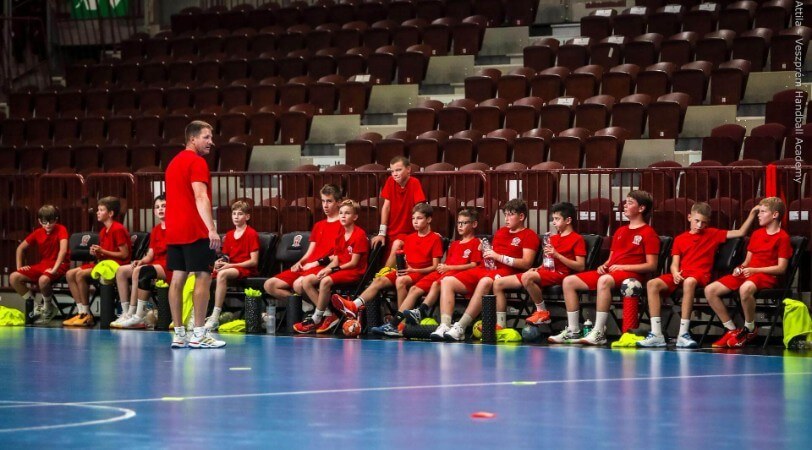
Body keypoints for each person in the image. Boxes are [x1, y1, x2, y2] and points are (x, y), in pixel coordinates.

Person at [638, 202, 759, 348]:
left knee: (689, 282)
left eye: (704, 222)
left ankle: (683, 334)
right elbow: (674, 264)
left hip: (700, 275)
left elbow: (740, 232)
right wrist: (675, 273)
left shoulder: (713, 234)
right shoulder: (680, 239)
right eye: (697, 221)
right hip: (682, 273)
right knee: (652, 284)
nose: (700, 225)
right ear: (689, 217)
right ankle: (656, 334)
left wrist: (752, 213)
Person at [551, 190, 660, 346]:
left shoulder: (648, 233)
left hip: (632, 274)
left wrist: (622, 266)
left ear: (641, 208)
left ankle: (599, 331)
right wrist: (604, 265)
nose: (625, 205)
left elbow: (651, 265)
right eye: (626, 202)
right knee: (569, 281)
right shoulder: (620, 230)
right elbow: (611, 258)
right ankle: (573, 330)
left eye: (630, 203)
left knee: (604, 280)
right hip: (613, 272)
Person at [436, 199, 539, 341]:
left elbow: (526, 263)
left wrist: (498, 256)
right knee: (447, 281)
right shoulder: (501, 232)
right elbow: (493, 254)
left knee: (485, 281)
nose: (506, 218)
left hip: (509, 271)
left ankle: (461, 326)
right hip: (486, 268)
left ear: (521, 216)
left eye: (510, 215)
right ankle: (445, 325)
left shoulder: (529, 235)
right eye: (505, 214)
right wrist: (485, 249)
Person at [334, 203, 444, 337]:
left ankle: (400, 323)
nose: (415, 222)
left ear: (429, 219)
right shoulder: (409, 238)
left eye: (419, 218)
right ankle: (354, 305)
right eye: (413, 218)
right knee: (379, 280)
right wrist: (400, 269)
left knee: (401, 281)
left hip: (422, 273)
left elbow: (435, 266)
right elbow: (406, 260)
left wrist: (412, 269)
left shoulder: (435, 238)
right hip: (408, 271)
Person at [165, 120, 224, 348]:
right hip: (194, 229)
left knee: (177, 278)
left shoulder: (173, 163)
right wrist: (211, 229)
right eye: (206, 137)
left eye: (211, 137)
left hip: (174, 230)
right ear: (192, 138)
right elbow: (200, 196)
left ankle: (179, 334)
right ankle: (199, 334)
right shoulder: (197, 162)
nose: (211, 142)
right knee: (203, 276)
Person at [704, 197, 793, 348]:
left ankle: (749, 328)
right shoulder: (756, 234)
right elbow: (747, 262)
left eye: (763, 212)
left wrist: (754, 270)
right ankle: (731, 329)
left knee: (745, 288)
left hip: (765, 275)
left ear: (775, 215)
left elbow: (781, 268)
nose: (759, 215)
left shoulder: (783, 237)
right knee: (710, 290)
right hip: (749, 273)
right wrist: (740, 268)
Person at [492, 202, 586, 327]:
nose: (553, 222)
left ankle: (542, 311)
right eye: (553, 219)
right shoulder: (552, 238)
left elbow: (580, 266)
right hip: (546, 272)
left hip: (561, 274)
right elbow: (547, 261)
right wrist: (538, 268)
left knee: (527, 277)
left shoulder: (577, 239)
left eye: (557, 219)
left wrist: (557, 255)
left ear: (568, 220)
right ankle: (500, 324)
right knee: (498, 283)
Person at [293, 199, 369, 333]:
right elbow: (336, 259)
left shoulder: (360, 235)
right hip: (340, 269)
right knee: (307, 281)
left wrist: (332, 270)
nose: (343, 216)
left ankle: (316, 318)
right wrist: (326, 269)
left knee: (325, 281)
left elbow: (353, 263)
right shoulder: (340, 235)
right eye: (341, 213)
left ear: (355, 217)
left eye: (347, 213)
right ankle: (329, 314)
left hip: (354, 271)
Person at [263, 184, 343, 306]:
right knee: (270, 285)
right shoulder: (318, 225)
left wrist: (316, 263)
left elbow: (339, 256)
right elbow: (310, 252)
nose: (325, 205)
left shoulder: (343, 225)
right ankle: (302, 308)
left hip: (324, 266)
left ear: (338, 202)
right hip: (308, 266)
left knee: (298, 285)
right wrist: (300, 262)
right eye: (323, 201)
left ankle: (326, 313)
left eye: (329, 201)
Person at [401, 208, 482, 326]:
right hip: (445, 272)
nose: (460, 226)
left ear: (474, 224)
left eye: (464, 223)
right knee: (414, 289)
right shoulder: (454, 244)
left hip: (457, 275)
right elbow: (447, 263)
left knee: (436, 284)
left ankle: (421, 311)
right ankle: (396, 323)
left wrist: (448, 268)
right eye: (459, 223)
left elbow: (473, 265)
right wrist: (443, 266)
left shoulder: (476, 242)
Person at [63, 196, 131, 327]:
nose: (97, 212)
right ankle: (81, 312)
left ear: (110, 213)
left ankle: (87, 314)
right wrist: (97, 253)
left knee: (80, 274)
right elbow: (104, 254)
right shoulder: (103, 231)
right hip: (104, 263)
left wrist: (103, 251)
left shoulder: (118, 229)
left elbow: (124, 254)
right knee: (69, 274)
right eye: (98, 210)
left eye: (101, 210)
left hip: (116, 265)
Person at [111, 194, 171, 329]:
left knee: (139, 271)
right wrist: (141, 260)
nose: (160, 209)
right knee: (121, 271)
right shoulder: (155, 230)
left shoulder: (174, 227)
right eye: (157, 207)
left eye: (164, 206)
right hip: (154, 263)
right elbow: (150, 254)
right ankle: (126, 313)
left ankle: (136, 313)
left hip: (168, 265)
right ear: (154, 211)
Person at [205, 200, 260, 330]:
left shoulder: (251, 233)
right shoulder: (229, 235)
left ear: (247, 216)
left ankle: (215, 316)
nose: (236, 216)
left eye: (240, 214)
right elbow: (226, 256)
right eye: (234, 213)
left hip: (245, 268)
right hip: (231, 267)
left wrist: (230, 266)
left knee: (222, 274)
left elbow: (254, 261)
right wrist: (219, 262)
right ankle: (200, 314)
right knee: (203, 275)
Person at [10, 205, 70, 325]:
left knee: (43, 280)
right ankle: (36, 305)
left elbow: (63, 251)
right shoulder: (38, 232)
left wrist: (54, 269)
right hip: (43, 264)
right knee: (14, 277)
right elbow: (20, 248)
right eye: (44, 222)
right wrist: (20, 267)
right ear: (39, 221)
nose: (47, 225)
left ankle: (48, 307)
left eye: (51, 222)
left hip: (60, 264)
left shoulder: (61, 229)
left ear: (56, 220)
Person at [370, 156, 427, 269]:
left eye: (398, 170)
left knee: (397, 249)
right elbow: (386, 207)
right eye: (392, 171)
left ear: (408, 169)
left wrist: (426, 230)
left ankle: (382, 276)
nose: (395, 174)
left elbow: (420, 208)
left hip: (409, 232)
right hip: (391, 231)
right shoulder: (390, 181)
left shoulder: (414, 182)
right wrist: (382, 232)